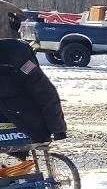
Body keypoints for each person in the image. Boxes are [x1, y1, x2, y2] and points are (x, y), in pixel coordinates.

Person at [0, 14, 66, 146]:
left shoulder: (17, 57)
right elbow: (45, 91)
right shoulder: (17, 53)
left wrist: (57, 128)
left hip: (20, 123)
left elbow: (44, 91)